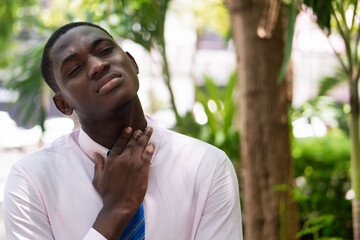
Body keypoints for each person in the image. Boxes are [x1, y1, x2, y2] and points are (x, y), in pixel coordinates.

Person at [4, 22, 243, 240]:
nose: (98, 65)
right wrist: (115, 211)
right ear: (63, 104)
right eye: (75, 68)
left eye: (105, 50)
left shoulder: (207, 166)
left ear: (132, 63)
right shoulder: (32, 182)